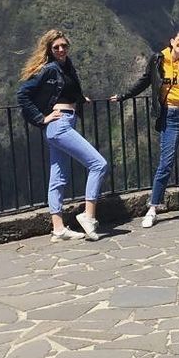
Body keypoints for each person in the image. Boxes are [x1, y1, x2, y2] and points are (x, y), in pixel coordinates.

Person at [110, 30, 179, 227]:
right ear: (172, 41)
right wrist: (124, 95)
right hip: (170, 116)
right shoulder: (158, 60)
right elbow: (145, 81)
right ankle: (153, 207)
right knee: (166, 163)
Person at [17, 29, 108, 241]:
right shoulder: (49, 69)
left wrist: (79, 98)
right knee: (99, 164)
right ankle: (88, 215)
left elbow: (67, 90)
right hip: (59, 125)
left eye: (64, 46)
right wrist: (42, 118)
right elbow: (23, 94)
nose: (61, 50)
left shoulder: (66, 67)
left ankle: (58, 228)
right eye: (56, 47)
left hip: (64, 123)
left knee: (58, 177)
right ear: (49, 49)